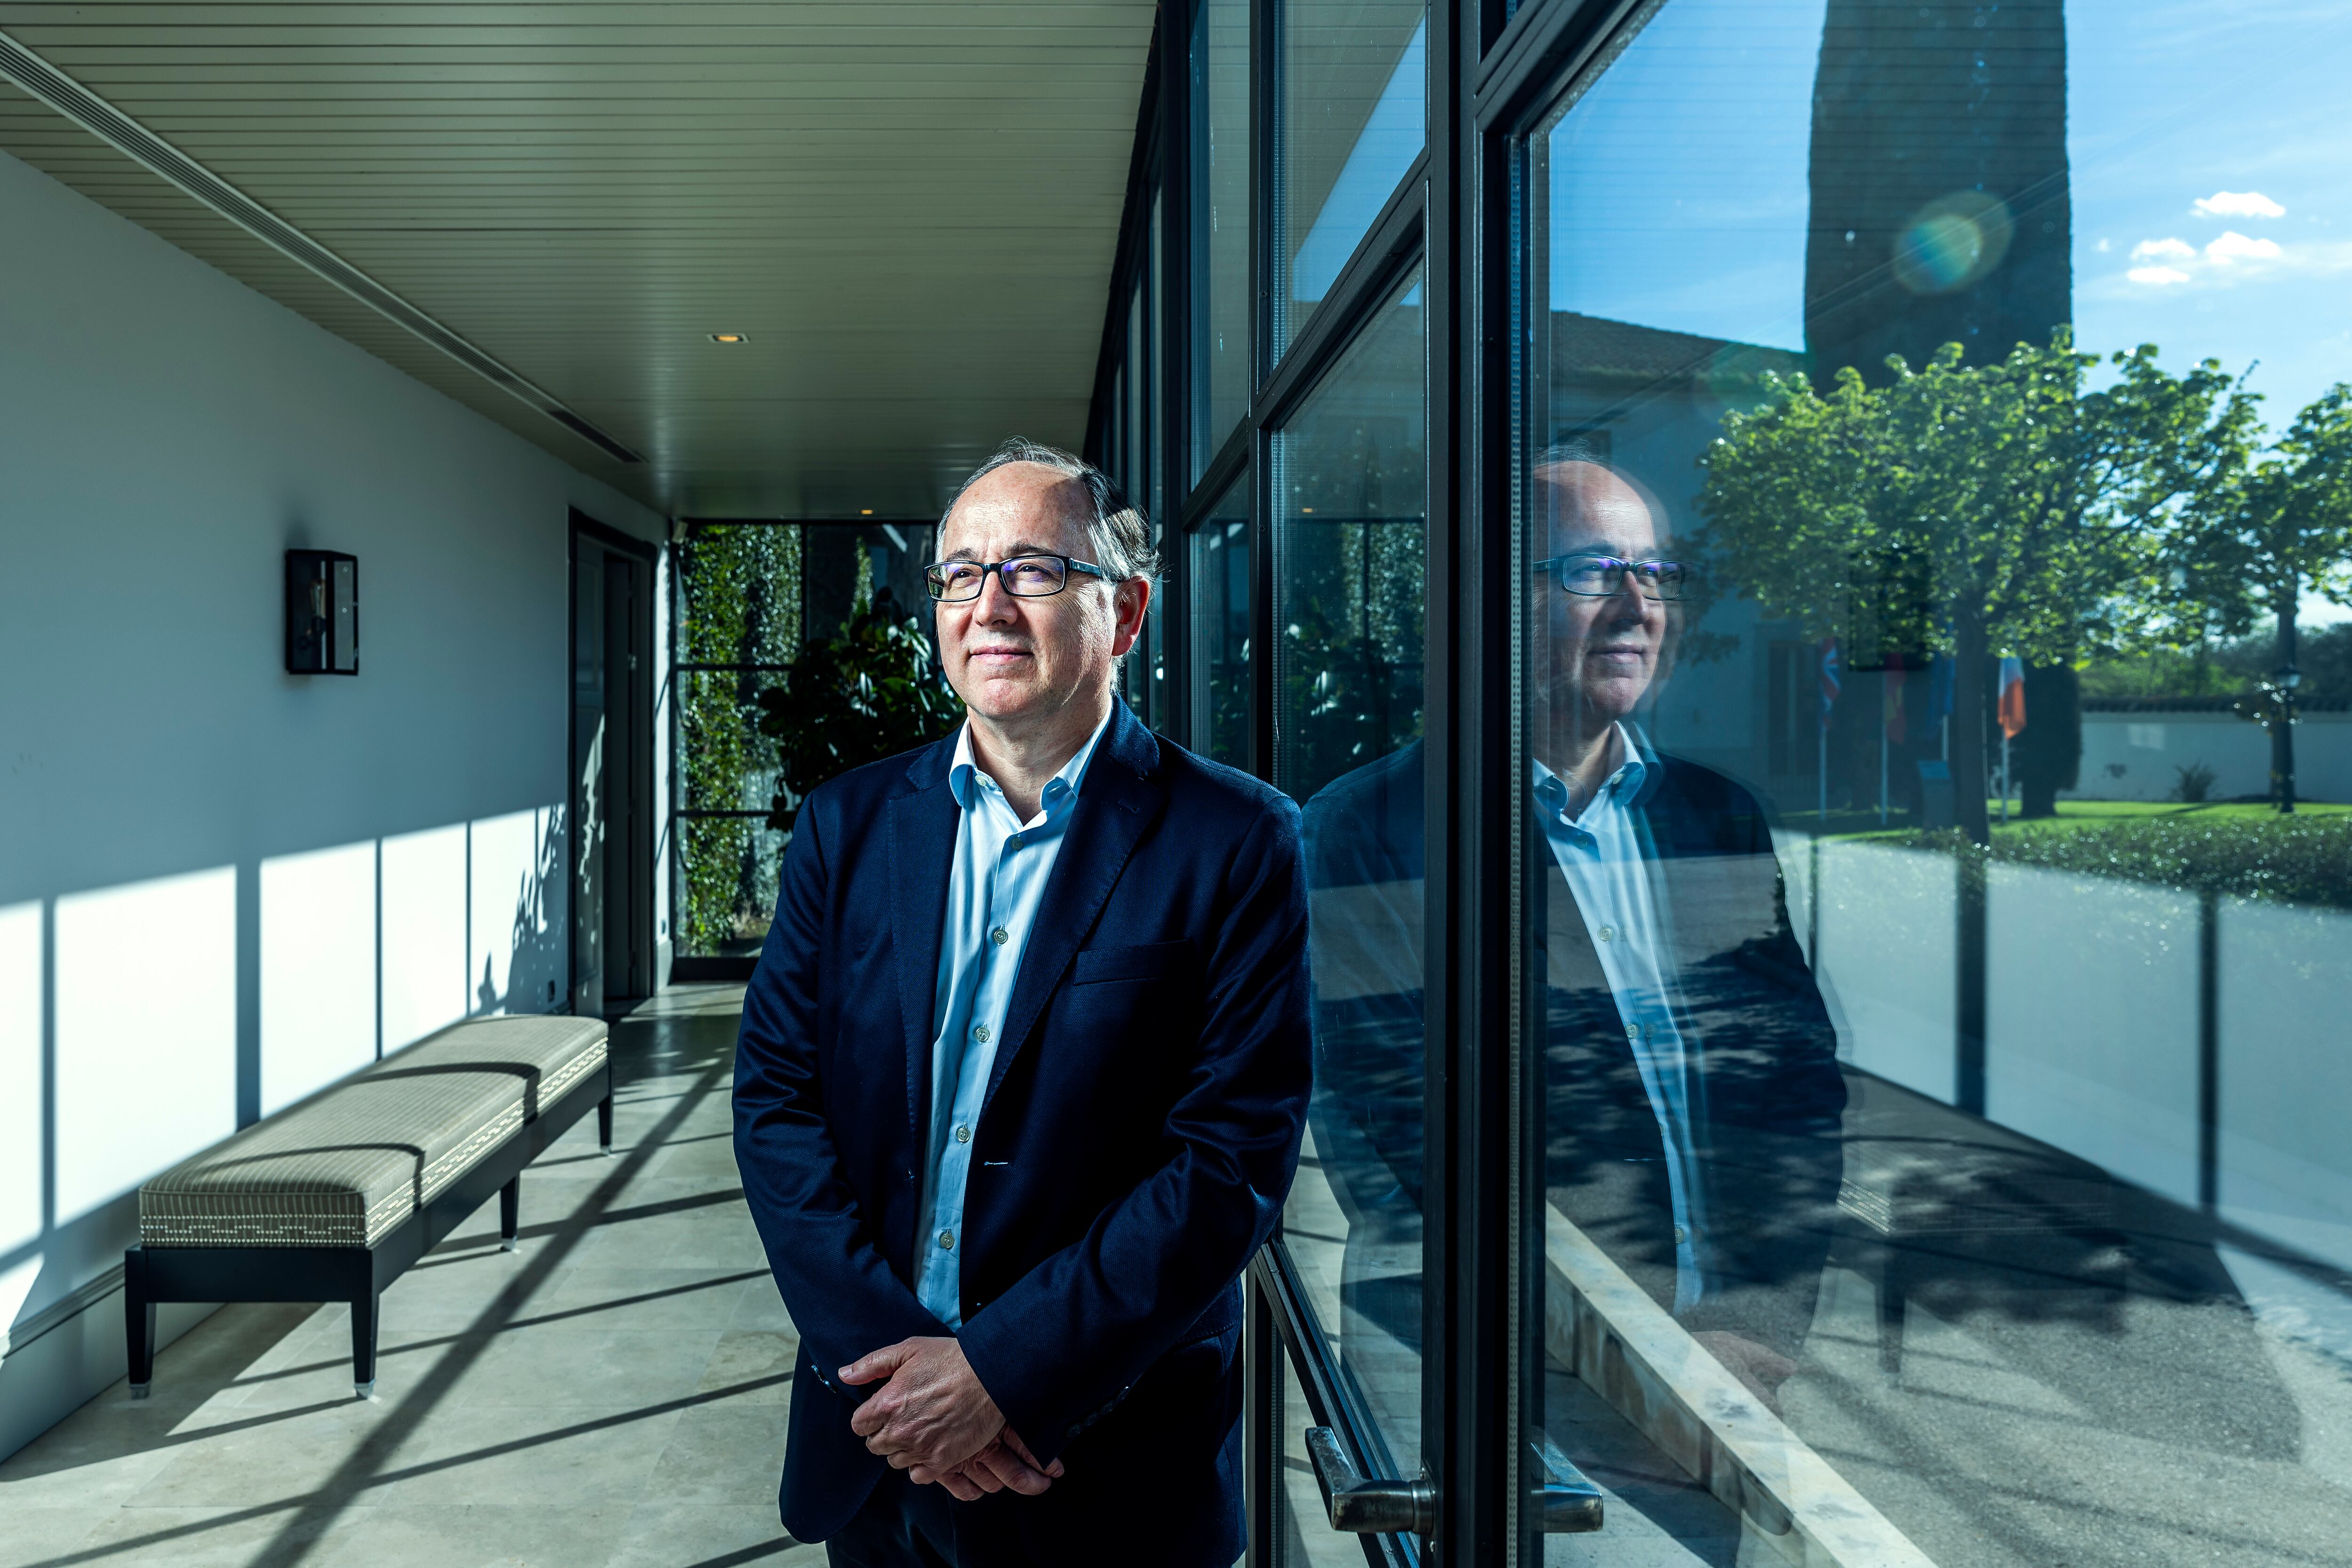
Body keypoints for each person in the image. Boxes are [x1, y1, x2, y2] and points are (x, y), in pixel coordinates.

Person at [733, 438, 1313, 1566]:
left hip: (1103, 1460)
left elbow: (1226, 1163)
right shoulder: (847, 827)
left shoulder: (1236, 840)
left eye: (1034, 570)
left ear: (1127, 613)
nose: (988, 605)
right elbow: (775, 1101)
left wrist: (1002, 1374)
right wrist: (908, 1376)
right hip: (878, 1440)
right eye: (960, 572)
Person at [1303, 445, 1845, 1409]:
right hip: (1499, 1384)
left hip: (1724, 1374)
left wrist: (1751, 1322)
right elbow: (1409, 1130)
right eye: (1595, 570)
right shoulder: (1367, 832)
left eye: (1657, 572)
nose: (1639, 605)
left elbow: (1788, 1081)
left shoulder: (1712, 818)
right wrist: (1625, 1349)